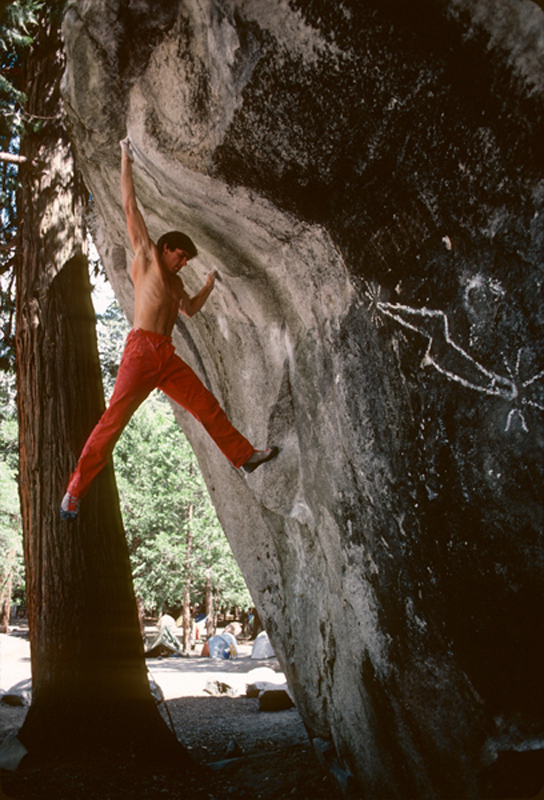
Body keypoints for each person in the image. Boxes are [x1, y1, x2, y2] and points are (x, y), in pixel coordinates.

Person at [60, 137, 278, 520]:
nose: (183, 264)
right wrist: (125, 155)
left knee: (206, 404)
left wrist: (208, 285)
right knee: (112, 423)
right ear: (166, 248)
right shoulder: (147, 259)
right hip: (141, 352)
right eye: (182, 256)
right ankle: (74, 491)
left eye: (188, 260)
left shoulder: (177, 284)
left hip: (166, 355)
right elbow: (130, 205)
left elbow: (190, 311)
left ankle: (244, 457)